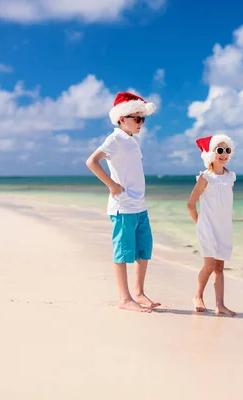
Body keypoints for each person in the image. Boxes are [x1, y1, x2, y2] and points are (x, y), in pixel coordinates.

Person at [85, 92, 159, 313]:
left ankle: (138, 293)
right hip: (123, 206)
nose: (140, 123)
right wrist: (112, 185)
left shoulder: (132, 141)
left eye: (142, 118)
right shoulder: (115, 139)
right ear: (121, 118)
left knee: (144, 250)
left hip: (140, 206)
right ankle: (124, 298)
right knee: (123, 251)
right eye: (136, 118)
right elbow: (92, 162)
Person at [187, 134, 237, 317]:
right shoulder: (205, 177)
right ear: (210, 154)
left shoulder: (230, 177)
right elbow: (190, 204)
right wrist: (200, 224)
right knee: (209, 265)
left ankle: (220, 305)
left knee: (219, 267)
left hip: (224, 228)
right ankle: (197, 296)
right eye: (220, 150)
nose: (224, 154)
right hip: (207, 227)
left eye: (227, 150)